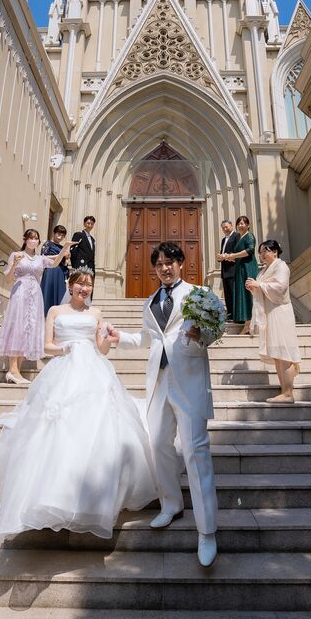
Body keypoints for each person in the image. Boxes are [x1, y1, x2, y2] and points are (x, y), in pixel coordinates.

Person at [0, 268, 157, 542]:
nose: (84, 288)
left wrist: (108, 339)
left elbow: (102, 349)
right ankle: (50, 497)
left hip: (93, 370)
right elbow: (46, 346)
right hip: (64, 367)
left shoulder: (96, 313)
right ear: (71, 285)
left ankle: (90, 499)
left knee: (95, 426)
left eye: (89, 285)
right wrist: (65, 348)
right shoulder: (55, 310)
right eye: (80, 284)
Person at [107, 242, 218, 568]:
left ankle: (207, 531)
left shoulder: (199, 294)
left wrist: (201, 334)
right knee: (158, 445)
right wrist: (119, 338)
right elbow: (147, 339)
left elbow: (214, 330)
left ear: (181, 263)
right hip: (159, 382)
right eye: (159, 264)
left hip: (189, 382)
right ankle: (171, 504)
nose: (164, 268)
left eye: (170, 262)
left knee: (196, 452)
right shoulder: (150, 302)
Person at [0, 229, 74, 384]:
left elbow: (55, 263)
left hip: (36, 295)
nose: (33, 241)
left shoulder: (40, 258)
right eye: (31, 238)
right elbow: (7, 279)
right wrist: (15, 264)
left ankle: (16, 371)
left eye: (36, 238)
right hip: (20, 292)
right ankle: (13, 370)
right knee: (17, 328)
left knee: (29, 329)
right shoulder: (16, 255)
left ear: (39, 241)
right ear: (25, 239)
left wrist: (65, 247)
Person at [246, 239, 301, 403]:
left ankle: (288, 393)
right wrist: (254, 288)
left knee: (284, 353)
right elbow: (264, 290)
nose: (262, 254)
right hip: (271, 313)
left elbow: (281, 287)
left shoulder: (281, 266)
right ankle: (284, 390)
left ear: (275, 252)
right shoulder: (265, 270)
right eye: (261, 252)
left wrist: (259, 285)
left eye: (266, 251)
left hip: (280, 313)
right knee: (278, 354)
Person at [224, 215, 259, 335]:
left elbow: (250, 250)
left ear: (248, 225)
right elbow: (238, 256)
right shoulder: (240, 238)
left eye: (243, 223)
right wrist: (228, 257)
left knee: (248, 293)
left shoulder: (249, 236)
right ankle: (247, 323)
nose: (240, 225)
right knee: (243, 294)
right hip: (240, 268)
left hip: (248, 268)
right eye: (239, 223)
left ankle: (248, 325)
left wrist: (233, 255)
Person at [40, 225, 70, 315]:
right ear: (54, 233)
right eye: (58, 234)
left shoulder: (62, 247)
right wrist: (60, 255)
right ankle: (45, 315)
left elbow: (65, 263)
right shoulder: (48, 244)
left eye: (62, 235)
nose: (60, 237)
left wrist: (67, 257)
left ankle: (57, 315)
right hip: (50, 270)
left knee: (60, 293)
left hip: (60, 271)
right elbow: (43, 257)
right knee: (48, 291)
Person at [216, 219, 239, 321]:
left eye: (226, 227)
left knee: (234, 293)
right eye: (223, 228)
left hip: (233, 270)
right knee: (227, 294)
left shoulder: (237, 236)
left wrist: (225, 256)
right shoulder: (223, 240)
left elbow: (238, 252)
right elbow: (223, 252)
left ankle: (236, 314)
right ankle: (230, 314)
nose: (225, 229)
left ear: (231, 226)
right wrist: (219, 257)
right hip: (225, 271)